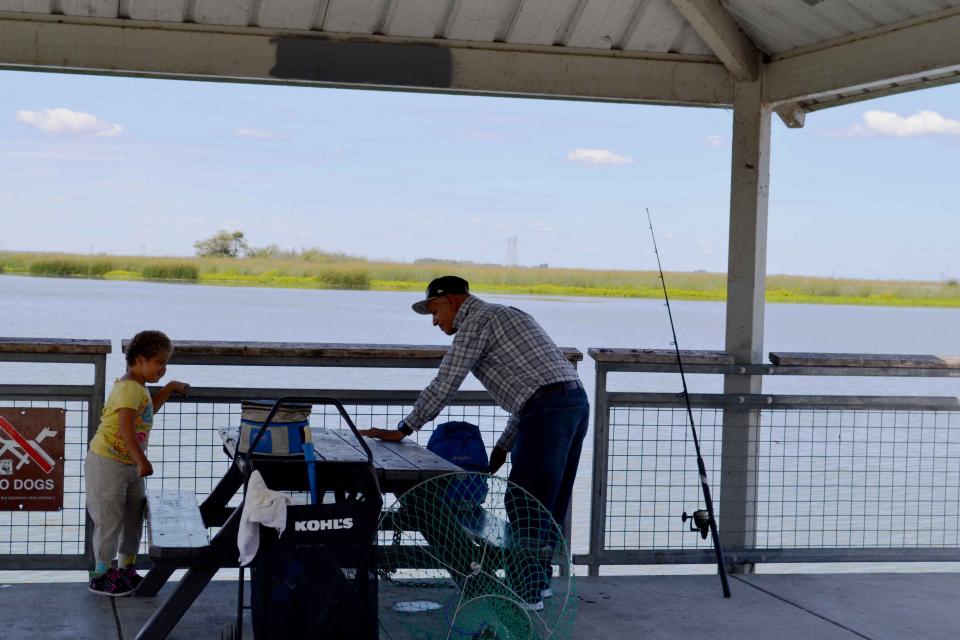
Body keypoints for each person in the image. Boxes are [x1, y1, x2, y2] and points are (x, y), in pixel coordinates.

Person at [360, 276, 589, 608]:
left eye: (435, 311)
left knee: (523, 503)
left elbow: (447, 381)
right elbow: (537, 389)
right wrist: (502, 448)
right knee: (548, 503)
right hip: (575, 405)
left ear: (453, 300)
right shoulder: (509, 314)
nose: (435, 321)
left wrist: (405, 428)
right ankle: (539, 583)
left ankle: (525, 596)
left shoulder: (475, 322)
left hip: (549, 412)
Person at [84, 330, 189, 596]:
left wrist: (168, 387)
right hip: (108, 463)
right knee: (109, 518)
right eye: (160, 362)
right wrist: (141, 459)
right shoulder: (128, 387)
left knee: (133, 516)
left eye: (166, 363)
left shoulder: (138, 387)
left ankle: (125, 568)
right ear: (140, 360)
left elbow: (147, 410)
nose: (163, 368)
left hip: (129, 464)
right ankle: (101, 575)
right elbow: (126, 426)